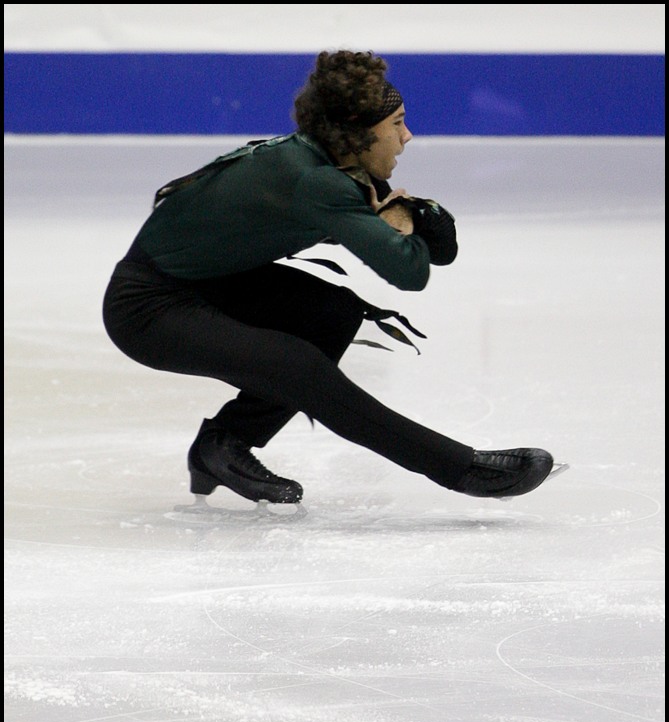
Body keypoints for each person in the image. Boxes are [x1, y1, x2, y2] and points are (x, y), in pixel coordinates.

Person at [102, 49, 555, 506]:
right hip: (147, 307)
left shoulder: (324, 164)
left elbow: (439, 252)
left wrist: (418, 220)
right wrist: (405, 219)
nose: (407, 136)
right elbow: (410, 271)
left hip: (214, 284)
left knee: (332, 313)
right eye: (396, 123)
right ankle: (459, 467)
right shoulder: (315, 181)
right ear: (360, 128)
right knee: (295, 365)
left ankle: (222, 445)